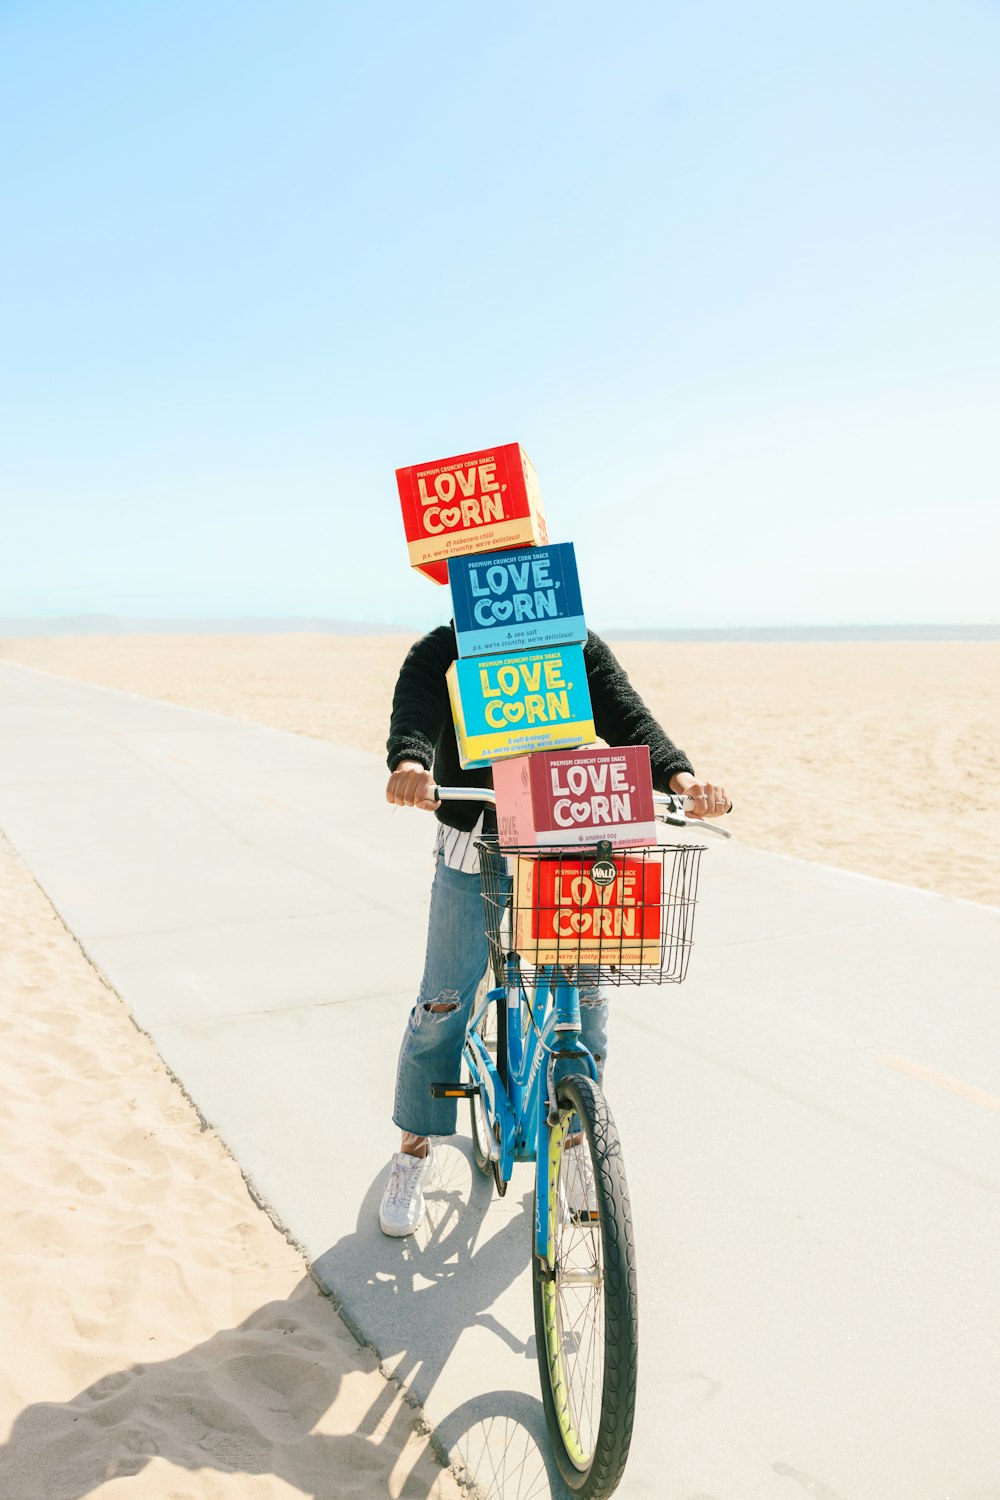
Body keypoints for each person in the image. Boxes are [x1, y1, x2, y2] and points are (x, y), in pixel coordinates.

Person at [379, 623, 729, 1235]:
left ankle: (575, 1140)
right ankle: (413, 1148)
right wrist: (412, 762)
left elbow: (628, 716)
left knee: (584, 1000)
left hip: (563, 832)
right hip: (476, 831)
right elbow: (416, 707)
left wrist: (683, 780)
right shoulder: (443, 648)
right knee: (446, 998)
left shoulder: (575, 643)